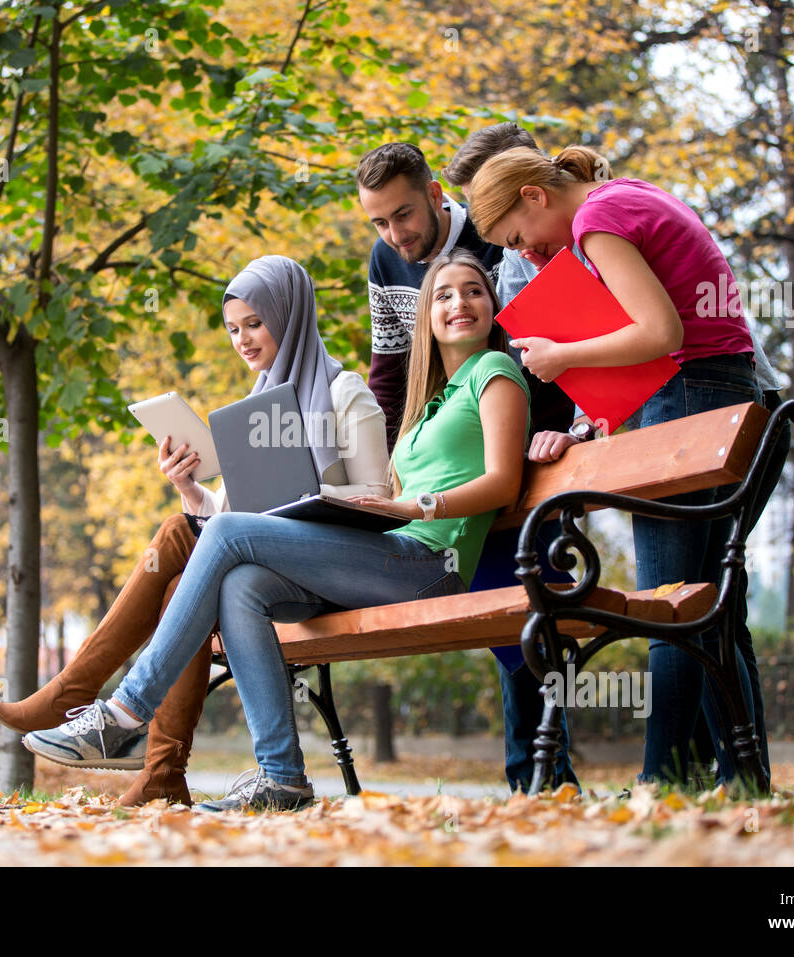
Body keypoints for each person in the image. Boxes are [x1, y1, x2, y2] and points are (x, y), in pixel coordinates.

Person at [28, 249, 532, 812]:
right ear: (425, 316)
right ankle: (282, 778)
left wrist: (420, 506)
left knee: (221, 538)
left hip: (430, 561)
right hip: (383, 555)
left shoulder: (495, 370)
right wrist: (199, 491)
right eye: (441, 295)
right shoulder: (430, 400)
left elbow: (503, 484)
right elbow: (379, 496)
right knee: (241, 583)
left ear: (494, 304)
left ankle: (124, 713)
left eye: (472, 292)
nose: (457, 304)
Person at [0, 255, 389, 806]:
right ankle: (157, 770)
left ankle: (113, 710)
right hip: (272, 574)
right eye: (232, 330)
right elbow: (226, 513)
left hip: (341, 566)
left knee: (197, 537)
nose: (243, 340)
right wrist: (191, 488)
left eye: (254, 323)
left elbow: (378, 500)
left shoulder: (347, 394)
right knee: (183, 535)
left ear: (290, 315)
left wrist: (305, 499)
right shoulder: (255, 410)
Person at [468, 145, 772, 786]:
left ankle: (660, 780)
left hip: (692, 391)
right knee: (705, 606)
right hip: (715, 388)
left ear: (534, 195)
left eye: (518, 237)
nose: (524, 254)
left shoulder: (596, 221)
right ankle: (743, 780)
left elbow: (660, 331)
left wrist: (561, 354)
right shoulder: (622, 195)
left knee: (668, 606)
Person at [359, 138, 579, 792]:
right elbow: (392, 373)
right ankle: (535, 780)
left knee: (526, 631)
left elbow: (556, 340)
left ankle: (544, 779)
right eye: (379, 221)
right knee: (504, 633)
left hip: (528, 452)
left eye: (403, 215)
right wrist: (397, 463)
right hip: (457, 467)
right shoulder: (385, 261)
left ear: (436, 197)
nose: (394, 234)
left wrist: (559, 429)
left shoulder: (500, 239)